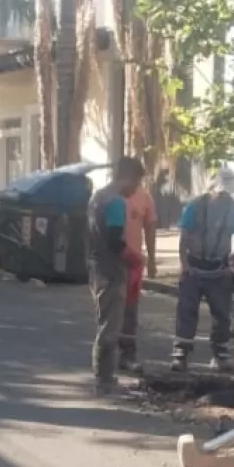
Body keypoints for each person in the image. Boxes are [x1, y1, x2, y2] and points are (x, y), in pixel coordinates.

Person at [171, 168, 234, 371]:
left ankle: (221, 353)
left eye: (227, 192)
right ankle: (181, 353)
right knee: (186, 311)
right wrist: (185, 265)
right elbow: (184, 238)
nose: (224, 196)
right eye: (220, 191)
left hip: (219, 269)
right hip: (195, 266)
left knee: (222, 313)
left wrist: (233, 267)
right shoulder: (195, 206)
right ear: (212, 187)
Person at [87, 157, 146, 394]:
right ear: (127, 176)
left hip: (96, 266)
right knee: (110, 326)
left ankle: (104, 376)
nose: (137, 188)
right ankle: (104, 379)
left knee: (105, 321)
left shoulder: (97, 197)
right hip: (111, 270)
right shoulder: (116, 202)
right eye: (137, 181)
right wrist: (135, 258)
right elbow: (115, 240)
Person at [118, 179, 158, 374]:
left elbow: (150, 229)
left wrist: (151, 259)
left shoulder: (145, 198)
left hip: (133, 264)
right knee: (110, 310)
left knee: (130, 311)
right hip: (110, 263)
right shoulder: (108, 197)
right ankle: (106, 356)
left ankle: (128, 355)